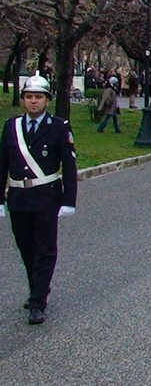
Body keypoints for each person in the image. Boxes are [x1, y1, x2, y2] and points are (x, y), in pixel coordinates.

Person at [0, 73, 78, 325]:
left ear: (47, 100)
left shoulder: (59, 127)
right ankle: (37, 288)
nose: (33, 102)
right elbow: (2, 164)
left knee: (45, 249)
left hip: (46, 197)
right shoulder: (11, 126)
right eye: (29, 97)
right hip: (19, 198)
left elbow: (69, 166)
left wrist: (69, 201)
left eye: (38, 97)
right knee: (26, 247)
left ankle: (38, 301)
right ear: (23, 99)